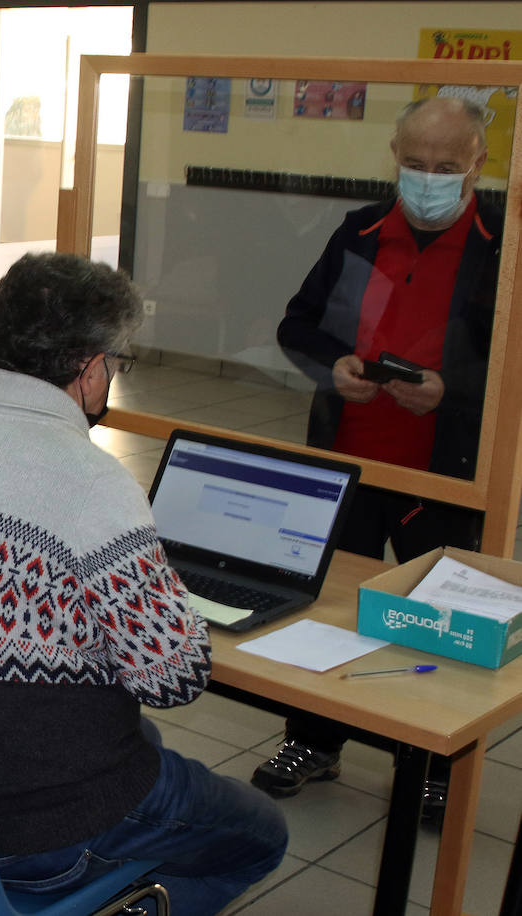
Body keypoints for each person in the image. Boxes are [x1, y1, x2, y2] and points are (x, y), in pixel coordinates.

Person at [0, 252, 288, 916]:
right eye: (116, 365)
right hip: (41, 834)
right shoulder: (95, 484)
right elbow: (173, 679)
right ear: (91, 369)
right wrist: (159, 586)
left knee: (136, 744)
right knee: (260, 833)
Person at [264, 96, 501, 825]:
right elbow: (296, 323)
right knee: (329, 609)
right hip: (349, 463)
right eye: (416, 164)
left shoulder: (505, 246)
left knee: (436, 618)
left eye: (447, 168)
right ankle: (315, 739)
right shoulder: (359, 231)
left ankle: (432, 764)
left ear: (477, 165)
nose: (429, 179)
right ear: (394, 156)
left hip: (444, 472)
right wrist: (332, 364)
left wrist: (452, 394)